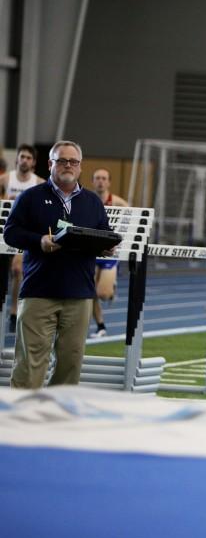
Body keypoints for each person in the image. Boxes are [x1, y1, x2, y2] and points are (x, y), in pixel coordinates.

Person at [3, 141, 118, 388]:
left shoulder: (92, 202)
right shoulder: (30, 197)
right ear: (50, 164)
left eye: (73, 162)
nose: (68, 165)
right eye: (62, 160)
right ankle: (21, 422)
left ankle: (58, 422)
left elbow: (103, 233)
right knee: (29, 365)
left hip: (79, 295)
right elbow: (10, 233)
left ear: (80, 167)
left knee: (70, 365)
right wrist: (39, 241)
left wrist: (107, 246)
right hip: (39, 292)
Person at [2, 144, 45, 333]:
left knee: (18, 269)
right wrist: (5, 200)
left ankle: (13, 312)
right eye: (22, 157)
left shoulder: (38, 182)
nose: (25, 160)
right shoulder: (5, 179)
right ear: (17, 159)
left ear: (34, 162)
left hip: (25, 233)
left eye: (29, 157)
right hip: (5, 230)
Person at [89, 168, 129, 338]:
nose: (100, 181)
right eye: (97, 178)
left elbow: (133, 218)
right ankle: (100, 326)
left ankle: (111, 287)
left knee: (103, 294)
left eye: (104, 178)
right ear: (92, 181)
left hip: (110, 252)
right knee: (89, 291)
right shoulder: (87, 200)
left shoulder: (118, 202)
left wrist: (120, 240)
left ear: (109, 182)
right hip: (91, 250)